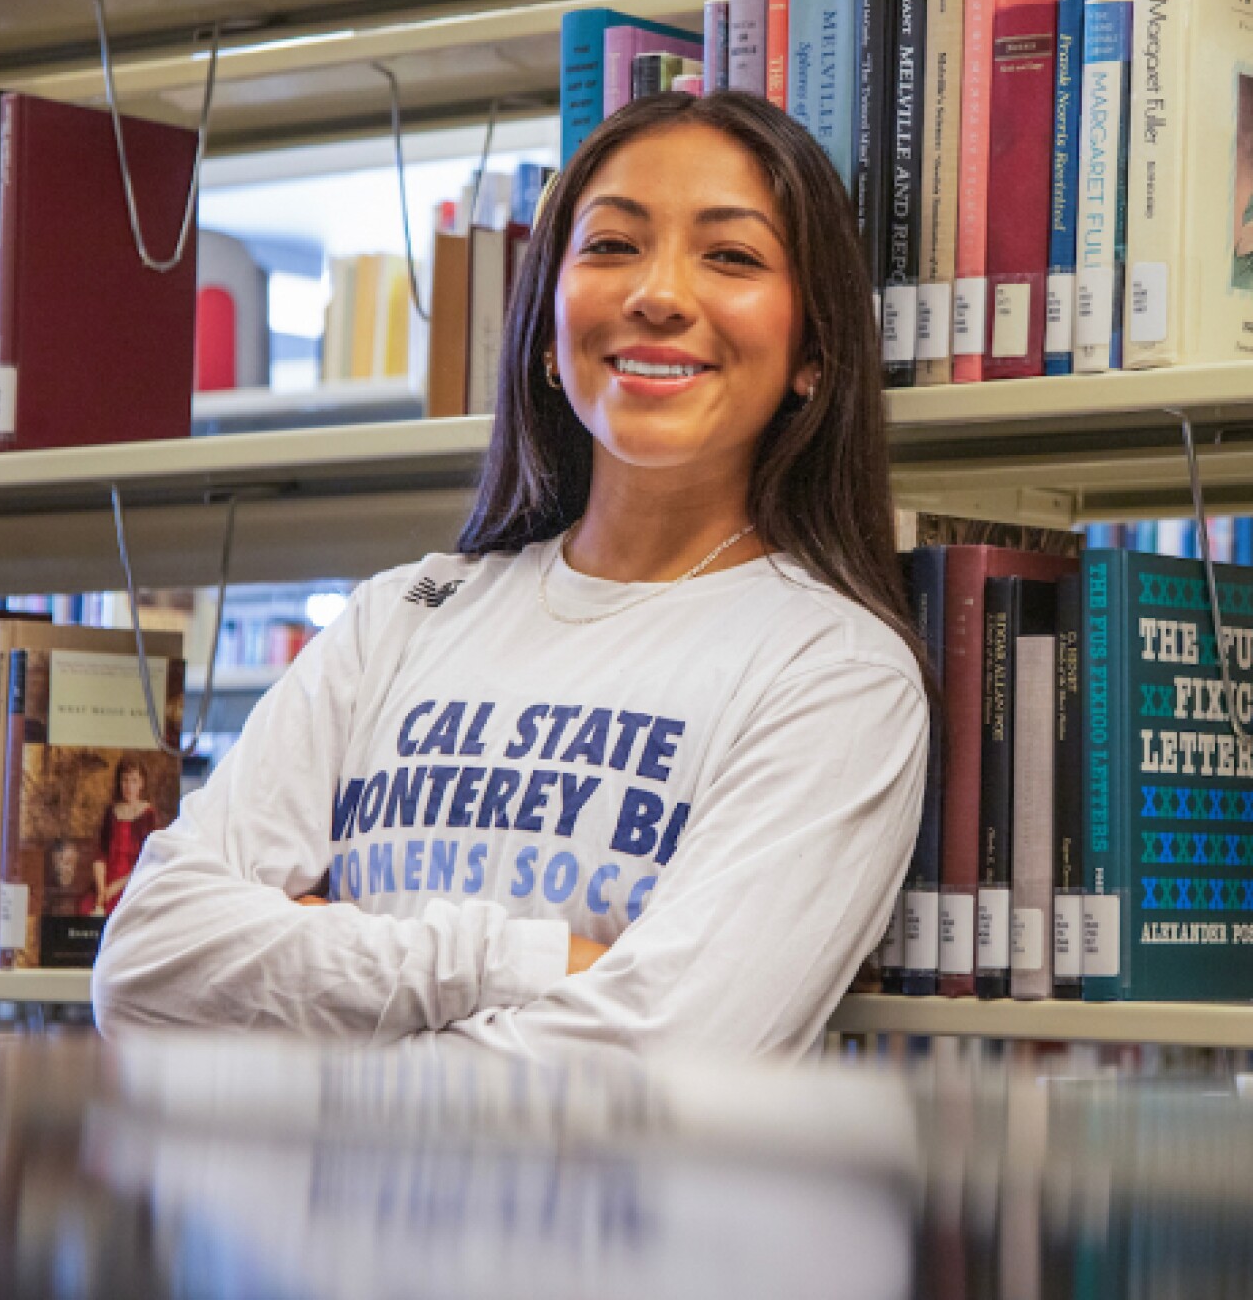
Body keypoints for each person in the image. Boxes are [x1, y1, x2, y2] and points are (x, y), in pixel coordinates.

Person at [93, 90, 930, 1058]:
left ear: (814, 353)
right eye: (613, 246)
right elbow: (147, 963)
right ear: (544, 325)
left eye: (731, 256)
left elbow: (658, 1063)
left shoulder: (834, 673)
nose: (657, 294)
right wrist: (528, 961)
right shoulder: (397, 618)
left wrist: (299, 1032)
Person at [86, 756, 160, 919]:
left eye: (134, 781)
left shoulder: (148, 814)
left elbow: (148, 858)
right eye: (125, 780)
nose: (129, 786)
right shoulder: (111, 812)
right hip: (106, 881)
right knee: (86, 910)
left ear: (142, 783)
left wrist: (116, 887)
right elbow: (101, 855)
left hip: (133, 881)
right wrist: (101, 889)